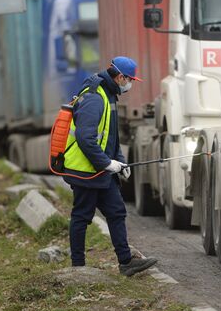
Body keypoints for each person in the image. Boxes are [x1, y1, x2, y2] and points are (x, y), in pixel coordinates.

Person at [63, 56, 158, 276]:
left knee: (116, 212)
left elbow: (111, 137)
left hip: (99, 171)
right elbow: (85, 138)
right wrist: (107, 164)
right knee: (81, 217)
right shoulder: (95, 97)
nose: (130, 84)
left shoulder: (109, 95)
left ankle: (126, 262)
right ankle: (78, 268)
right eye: (130, 79)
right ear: (120, 77)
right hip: (85, 171)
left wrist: (121, 161)